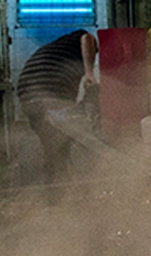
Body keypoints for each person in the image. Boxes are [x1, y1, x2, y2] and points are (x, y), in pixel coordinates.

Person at [16, 27, 100, 180]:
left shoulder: (54, 49)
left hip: (26, 94)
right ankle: (61, 187)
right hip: (48, 89)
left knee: (51, 145)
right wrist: (89, 72)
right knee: (65, 138)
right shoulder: (81, 37)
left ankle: (54, 191)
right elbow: (88, 38)